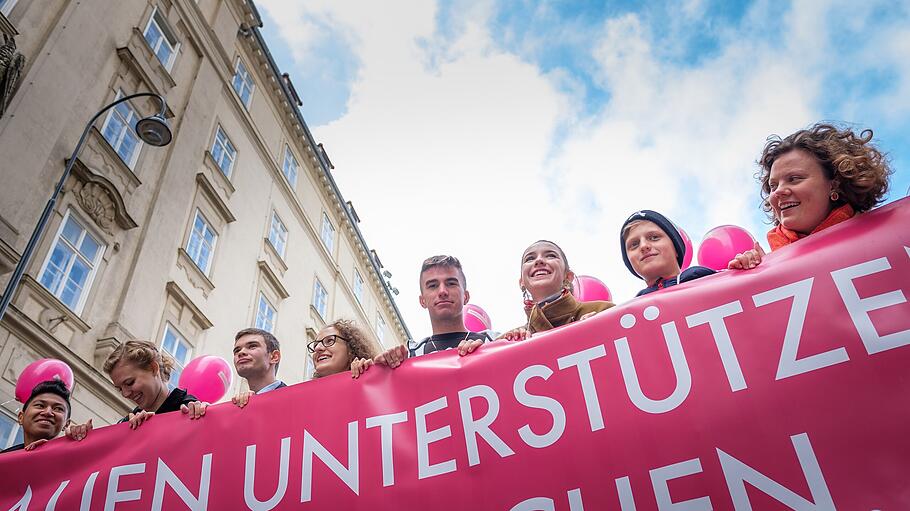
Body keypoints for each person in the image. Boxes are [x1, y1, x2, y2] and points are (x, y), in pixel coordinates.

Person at [729, 123, 892, 270]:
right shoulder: (764, 263)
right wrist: (756, 276)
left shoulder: (888, 236)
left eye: (794, 179)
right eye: (773, 186)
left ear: (834, 184)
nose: (778, 191)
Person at [499, 240, 613, 341]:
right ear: (522, 282)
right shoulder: (509, 340)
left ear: (568, 276)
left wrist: (604, 330)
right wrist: (481, 351)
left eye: (551, 256)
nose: (539, 260)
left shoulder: (603, 311)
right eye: (530, 258)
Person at [103, 340, 207, 429]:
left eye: (129, 383)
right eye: (120, 389)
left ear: (153, 368)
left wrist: (208, 415)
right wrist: (88, 439)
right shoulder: (128, 422)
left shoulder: (188, 407)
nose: (125, 394)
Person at [620, 210, 715, 296]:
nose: (643, 246)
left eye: (654, 237)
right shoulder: (634, 307)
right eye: (634, 244)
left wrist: (730, 272)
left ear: (675, 248)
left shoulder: (699, 275)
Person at [1, 380, 91, 453]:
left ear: (66, 424)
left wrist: (85, 445)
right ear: (21, 417)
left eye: (58, 409)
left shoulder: (74, 460)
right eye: (40, 405)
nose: (48, 412)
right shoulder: (4, 459)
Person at [231, 328, 286, 408]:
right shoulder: (239, 406)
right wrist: (210, 414)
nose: (241, 352)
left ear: (274, 357)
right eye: (237, 350)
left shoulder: (296, 401)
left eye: (252, 346)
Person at [309, 320, 378, 379]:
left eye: (329, 341)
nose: (317, 348)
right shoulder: (304, 393)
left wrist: (373, 375)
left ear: (351, 347)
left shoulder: (370, 381)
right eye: (315, 345)